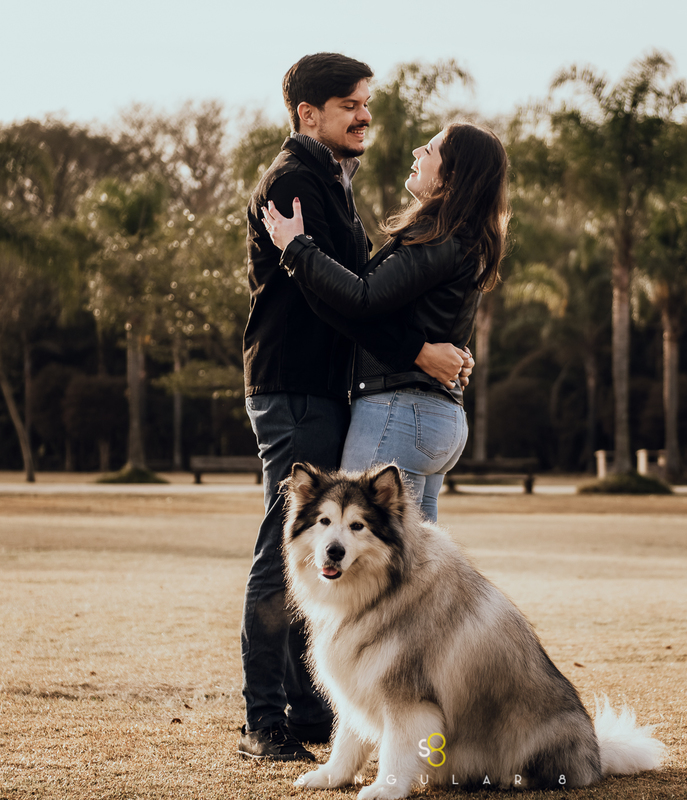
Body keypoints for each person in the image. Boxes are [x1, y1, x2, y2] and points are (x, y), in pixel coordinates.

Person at [238, 54, 471, 763]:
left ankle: (308, 707)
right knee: (289, 543)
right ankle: (264, 721)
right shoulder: (293, 181)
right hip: (294, 385)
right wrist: (419, 351)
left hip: (325, 387)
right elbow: (336, 301)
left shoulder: (334, 181)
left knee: (322, 544)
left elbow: (360, 295)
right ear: (308, 114)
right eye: (350, 104)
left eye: (366, 102)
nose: (365, 115)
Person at [262, 121, 510, 521]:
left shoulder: (439, 237)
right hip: (436, 415)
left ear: (451, 176)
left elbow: (362, 299)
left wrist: (296, 249)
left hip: (400, 411)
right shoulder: (465, 238)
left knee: (363, 549)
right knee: (414, 557)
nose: (416, 153)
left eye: (430, 150)